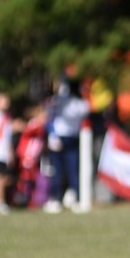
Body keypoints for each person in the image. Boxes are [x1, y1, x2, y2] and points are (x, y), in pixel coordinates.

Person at [44, 78, 90, 213]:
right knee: (57, 171)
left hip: (72, 139)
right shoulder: (58, 100)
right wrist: (52, 134)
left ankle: (76, 197)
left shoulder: (80, 103)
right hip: (58, 138)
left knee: (73, 170)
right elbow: (50, 117)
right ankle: (55, 198)